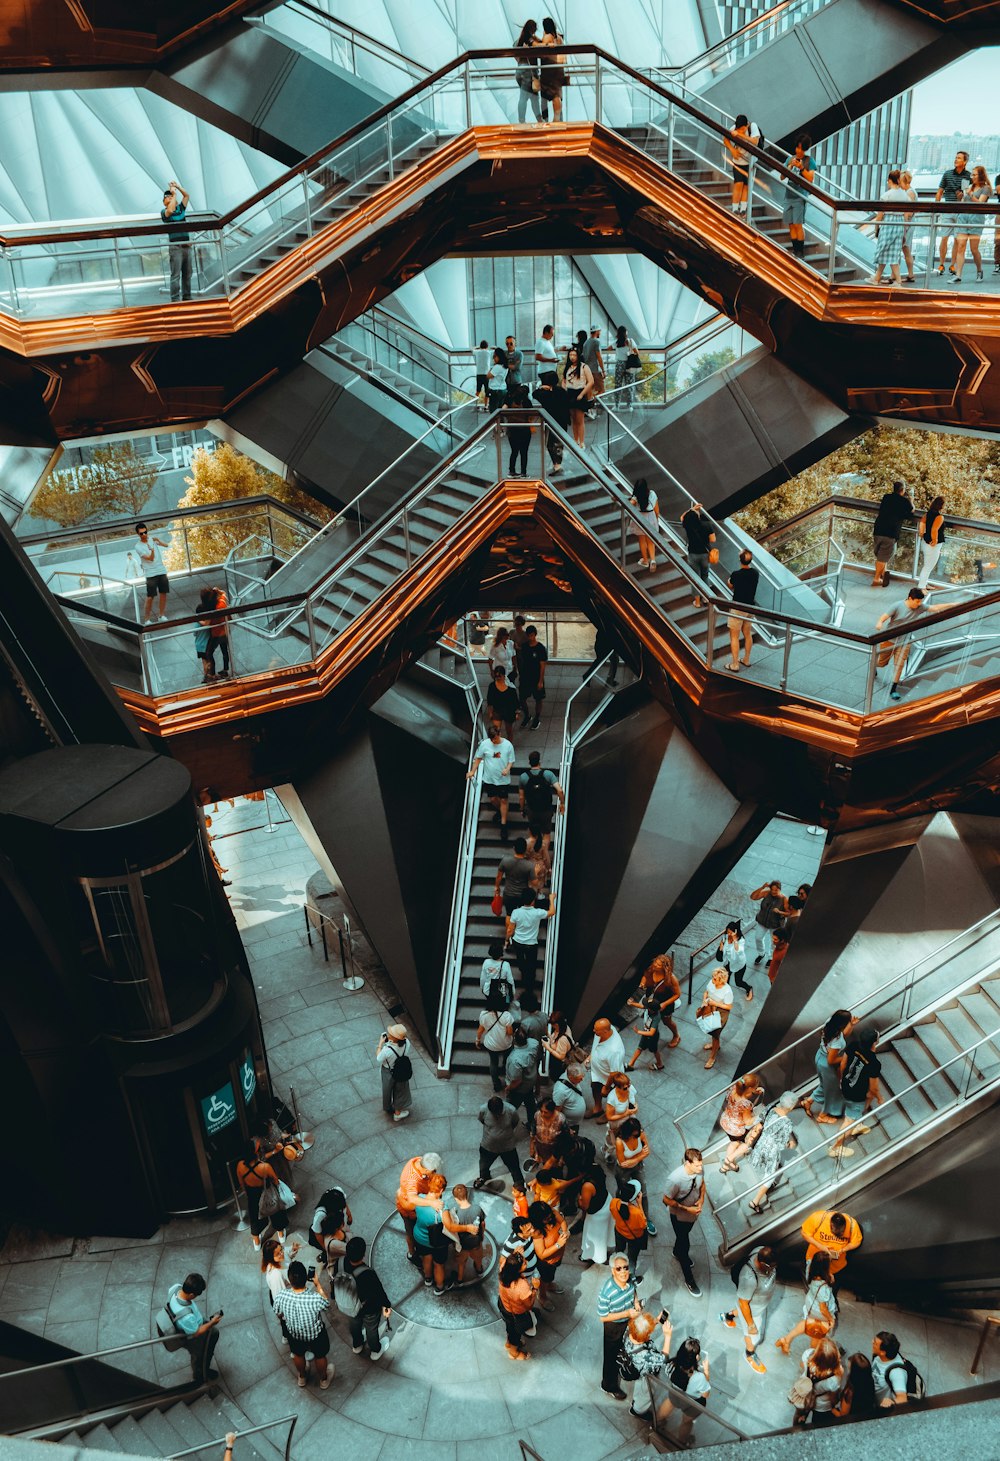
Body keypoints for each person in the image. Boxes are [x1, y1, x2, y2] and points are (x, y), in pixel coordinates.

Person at [271, 1261, 332, 1389]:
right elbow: (327, 1304)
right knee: (320, 1356)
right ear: (306, 1278)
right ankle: (323, 1380)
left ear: (289, 1279)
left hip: (294, 1334)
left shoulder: (281, 1296)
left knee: (297, 1354)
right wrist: (317, 1283)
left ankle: (302, 1377)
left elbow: (278, 1313)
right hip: (315, 1335)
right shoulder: (315, 1298)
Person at [830, 1020, 883, 1158]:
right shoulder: (874, 1063)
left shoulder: (853, 1045)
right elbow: (873, 1087)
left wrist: (842, 1079)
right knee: (849, 1120)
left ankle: (857, 1124)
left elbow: (843, 1064)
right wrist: (879, 1097)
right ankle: (836, 1147)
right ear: (874, 1043)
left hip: (846, 1085)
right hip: (857, 1094)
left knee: (858, 1108)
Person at [721, 1244, 776, 1374]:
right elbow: (743, 1303)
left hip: (759, 1304)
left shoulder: (760, 1249)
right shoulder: (749, 1278)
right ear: (762, 1263)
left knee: (739, 1311)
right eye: (771, 1267)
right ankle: (749, 1354)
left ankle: (727, 1317)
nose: (774, 1269)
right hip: (752, 1311)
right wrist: (751, 1325)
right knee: (753, 1337)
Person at [775, 1251, 838, 1355]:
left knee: (808, 1322)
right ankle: (811, 1356)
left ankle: (786, 1339)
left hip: (811, 1302)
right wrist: (831, 1319)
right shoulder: (823, 1287)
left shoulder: (810, 1268)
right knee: (817, 1332)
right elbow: (823, 1308)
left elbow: (811, 1261)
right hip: (819, 1310)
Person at [597, 1254, 641, 1399]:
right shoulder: (607, 1292)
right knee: (610, 1356)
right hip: (613, 1326)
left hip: (627, 1320)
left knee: (623, 1348)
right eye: (619, 1268)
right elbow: (603, 1317)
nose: (623, 1271)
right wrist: (626, 1313)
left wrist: (636, 1303)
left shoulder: (631, 1278)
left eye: (625, 1267)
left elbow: (634, 1290)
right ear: (612, 1271)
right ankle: (608, 1385)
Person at [161, 1273, 221, 1381]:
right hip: (192, 1334)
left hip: (190, 1323)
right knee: (200, 1355)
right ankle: (200, 1374)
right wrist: (212, 1323)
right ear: (192, 1295)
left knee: (213, 1334)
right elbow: (196, 1332)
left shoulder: (175, 1288)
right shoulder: (187, 1317)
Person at [662, 1147, 705, 1296]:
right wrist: (686, 1209)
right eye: (697, 1165)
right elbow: (665, 1199)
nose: (701, 1168)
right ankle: (689, 1279)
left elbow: (702, 1185)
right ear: (687, 1163)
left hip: (692, 1215)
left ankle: (677, 1252)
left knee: (683, 1237)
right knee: (684, 1243)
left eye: (701, 1165)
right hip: (679, 1216)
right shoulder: (675, 1179)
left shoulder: (699, 1171)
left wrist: (701, 1200)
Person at [747, 1090, 799, 1214]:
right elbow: (781, 1145)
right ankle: (755, 1201)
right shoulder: (787, 1123)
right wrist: (790, 1145)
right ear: (791, 1107)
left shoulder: (770, 1107)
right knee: (769, 1176)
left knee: (764, 1162)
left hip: (761, 1142)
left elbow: (760, 1119)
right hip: (772, 1150)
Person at [802, 1009, 855, 1124]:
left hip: (820, 1057)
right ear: (842, 1024)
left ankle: (809, 1101)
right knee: (833, 1091)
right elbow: (832, 1060)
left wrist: (851, 1025)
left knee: (825, 1085)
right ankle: (823, 1115)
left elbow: (843, 1034)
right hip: (827, 1065)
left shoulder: (830, 1023)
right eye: (848, 1021)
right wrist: (847, 1057)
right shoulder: (836, 1041)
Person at [236, 1134, 288, 1252]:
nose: (261, 1150)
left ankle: (256, 1242)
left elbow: (241, 1183)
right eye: (259, 1149)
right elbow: (275, 1180)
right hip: (267, 1192)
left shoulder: (239, 1166)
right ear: (255, 1152)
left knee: (254, 1218)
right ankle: (281, 1235)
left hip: (252, 1194)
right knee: (276, 1212)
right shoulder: (265, 1167)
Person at [343, 1235, 391, 1359]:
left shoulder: (345, 1263)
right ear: (363, 1254)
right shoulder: (368, 1273)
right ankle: (375, 1350)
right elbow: (379, 1291)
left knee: (355, 1324)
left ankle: (357, 1345)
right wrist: (386, 1305)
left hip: (351, 1304)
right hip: (368, 1307)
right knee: (371, 1328)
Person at [659, 1338, 711, 1445]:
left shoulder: (671, 1364)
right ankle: (681, 1442)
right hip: (692, 1403)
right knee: (686, 1422)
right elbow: (705, 1394)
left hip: (674, 1394)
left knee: (669, 1403)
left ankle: (658, 1423)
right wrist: (706, 1371)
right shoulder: (698, 1377)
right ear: (697, 1357)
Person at [469, 721, 515, 841]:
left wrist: (507, 768)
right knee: (493, 799)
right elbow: (478, 759)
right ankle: (501, 812)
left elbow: (511, 760)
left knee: (504, 800)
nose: (493, 741)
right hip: (489, 778)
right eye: (491, 739)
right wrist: (473, 771)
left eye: (494, 738)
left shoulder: (508, 745)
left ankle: (503, 826)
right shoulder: (485, 744)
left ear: (499, 734)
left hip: (503, 779)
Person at [506, 889, 555, 997]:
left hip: (518, 942)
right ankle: (529, 985)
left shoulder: (516, 912)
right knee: (532, 965)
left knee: (520, 960)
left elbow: (510, 930)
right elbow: (552, 912)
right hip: (531, 944)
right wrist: (551, 899)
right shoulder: (537, 913)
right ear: (533, 900)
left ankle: (523, 971)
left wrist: (506, 940)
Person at [396, 1152, 442, 1258]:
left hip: (419, 1206)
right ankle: (412, 1254)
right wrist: (431, 1202)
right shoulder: (412, 1179)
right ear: (426, 1170)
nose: (435, 1173)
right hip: (409, 1210)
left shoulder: (420, 1161)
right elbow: (412, 1198)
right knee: (411, 1233)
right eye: (433, 1171)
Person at [519, 750, 564, 859]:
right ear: (539, 761)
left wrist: (522, 809)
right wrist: (562, 803)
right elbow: (560, 791)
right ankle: (544, 855)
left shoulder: (523, 777)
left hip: (531, 810)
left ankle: (533, 854)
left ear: (529, 762)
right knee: (546, 834)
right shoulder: (548, 774)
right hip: (546, 810)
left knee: (533, 833)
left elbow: (521, 796)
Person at [718, 1071, 765, 1173]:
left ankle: (727, 1166)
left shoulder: (733, 1088)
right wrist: (760, 1115)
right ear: (749, 1088)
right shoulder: (745, 1104)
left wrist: (754, 1092)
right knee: (748, 1143)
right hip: (736, 1128)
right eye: (754, 1087)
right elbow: (748, 1122)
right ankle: (729, 1159)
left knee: (734, 1142)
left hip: (725, 1121)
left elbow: (741, 1094)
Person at [412, 1172, 451, 1294]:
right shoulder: (442, 1208)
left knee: (426, 1258)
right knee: (439, 1264)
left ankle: (428, 1279)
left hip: (419, 1236)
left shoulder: (419, 1199)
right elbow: (449, 1226)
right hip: (436, 1242)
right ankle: (439, 1287)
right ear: (441, 1190)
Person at [475, 1094, 525, 1189]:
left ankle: (519, 1184)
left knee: (514, 1167)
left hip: (507, 1146)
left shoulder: (511, 1111)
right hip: (488, 1145)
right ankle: (483, 1177)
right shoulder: (483, 1109)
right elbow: (482, 1120)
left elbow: (514, 1123)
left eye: (497, 1113)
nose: (496, 1115)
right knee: (484, 1165)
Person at [953, 164, 991, 283]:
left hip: (976, 220)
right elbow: (964, 201)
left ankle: (979, 270)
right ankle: (958, 275)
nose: (972, 176)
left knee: (974, 249)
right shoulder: (969, 186)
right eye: (972, 174)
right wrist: (960, 197)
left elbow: (980, 203)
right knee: (961, 246)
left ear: (980, 175)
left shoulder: (986, 188)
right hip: (964, 218)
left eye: (974, 174)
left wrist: (970, 194)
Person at [801, 1208, 863, 1281]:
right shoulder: (818, 1218)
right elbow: (804, 1233)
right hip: (815, 1262)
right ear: (831, 1224)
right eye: (835, 1232)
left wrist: (843, 1250)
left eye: (841, 1233)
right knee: (813, 1284)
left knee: (829, 1289)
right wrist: (820, 1246)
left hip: (836, 1267)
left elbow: (856, 1242)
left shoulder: (852, 1224)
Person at [871, 479, 913, 587]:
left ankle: (883, 575)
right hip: (890, 532)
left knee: (880, 554)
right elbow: (910, 513)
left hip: (879, 528)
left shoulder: (886, 497)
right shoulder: (905, 502)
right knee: (882, 557)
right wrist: (911, 500)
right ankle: (876, 579)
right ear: (903, 490)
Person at [935, 148, 970, 276]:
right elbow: (939, 191)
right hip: (947, 210)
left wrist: (963, 196)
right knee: (944, 238)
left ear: (965, 161)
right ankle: (941, 264)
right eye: (956, 157)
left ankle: (952, 265)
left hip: (961, 211)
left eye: (959, 158)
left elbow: (968, 195)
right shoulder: (947, 174)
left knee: (956, 240)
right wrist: (936, 207)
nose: (956, 159)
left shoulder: (968, 176)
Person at [498, 1250, 538, 1359]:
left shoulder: (503, 1268)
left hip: (503, 1305)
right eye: (524, 1263)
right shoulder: (522, 1286)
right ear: (517, 1270)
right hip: (517, 1314)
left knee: (509, 1327)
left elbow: (507, 1260)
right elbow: (529, 1305)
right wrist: (535, 1288)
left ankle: (508, 1342)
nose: (526, 1262)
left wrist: (515, 1255)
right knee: (515, 1333)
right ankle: (514, 1353)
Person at [793, 1338, 843, 1427]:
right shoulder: (834, 1379)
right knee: (817, 1422)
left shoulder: (808, 1354)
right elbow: (833, 1398)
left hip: (805, 1396)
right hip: (821, 1405)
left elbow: (802, 1366)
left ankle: (796, 1430)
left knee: (799, 1417)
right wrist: (834, 1405)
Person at [442, 1183, 486, 1283]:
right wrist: (482, 1235)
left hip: (462, 1246)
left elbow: (454, 1229)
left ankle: (460, 1279)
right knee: (478, 1258)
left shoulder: (456, 1212)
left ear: (455, 1199)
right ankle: (479, 1270)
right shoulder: (477, 1208)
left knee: (461, 1263)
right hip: (476, 1244)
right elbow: (482, 1223)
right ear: (467, 1194)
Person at [871, 170, 906, 287]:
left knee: (883, 250)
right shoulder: (904, 195)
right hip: (900, 223)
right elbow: (906, 214)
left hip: (888, 222)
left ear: (890, 180)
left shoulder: (887, 195)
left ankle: (897, 281)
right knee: (892, 252)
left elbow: (880, 215)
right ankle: (877, 278)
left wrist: (876, 228)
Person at [726, 548, 758, 672]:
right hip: (750, 607)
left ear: (740, 560)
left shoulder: (736, 574)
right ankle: (746, 659)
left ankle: (735, 664)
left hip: (738, 607)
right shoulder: (755, 573)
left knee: (734, 636)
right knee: (747, 633)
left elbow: (730, 585)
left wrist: (729, 581)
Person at [588, 1017, 627, 1120]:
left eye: (596, 1030)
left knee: (612, 1097)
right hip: (597, 1073)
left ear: (605, 1031)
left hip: (609, 1078)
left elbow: (614, 1073)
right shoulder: (602, 1032)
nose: (593, 1031)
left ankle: (610, 1113)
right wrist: (591, 1056)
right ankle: (598, 1108)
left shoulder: (615, 1050)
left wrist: (606, 1086)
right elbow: (596, 1045)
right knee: (595, 1088)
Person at [783, 134, 815, 258]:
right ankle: (795, 250)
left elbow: (810, 178)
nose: (799, 151)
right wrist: (789, 167)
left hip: (800, 196)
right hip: (788, 195)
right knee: (790, 223)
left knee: (798, 224)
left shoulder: (809, 161)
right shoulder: (790, 159)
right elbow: (782, 176)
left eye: (801, 149)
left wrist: (801, 168)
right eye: (797, 148)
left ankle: (800, 252)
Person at [609, 1179, 649, 1278]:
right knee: (631, 1258)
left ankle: (617, 1270)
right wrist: (640, 1204)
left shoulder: (614, 1202)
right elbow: (644, 1224)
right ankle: (631, 1277)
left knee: (619, 1251)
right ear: (634, 1198)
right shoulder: (636, 1212)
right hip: (633, 1238)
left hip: (619, 1231)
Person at [871, 1331, 922, 1407]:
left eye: (875, 1343)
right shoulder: (879, 1355)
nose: (872, 1341)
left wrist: (891, 1402)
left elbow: (902, 1399)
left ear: (883, 1352)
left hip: (880, 1405)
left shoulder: (897, 1373)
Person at [133, 522, 170, 625]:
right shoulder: (138, 547)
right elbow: (150, 558)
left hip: (161, 570)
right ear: (138, 534)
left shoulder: (152, 539)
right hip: (150, 574)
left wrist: (158, 540)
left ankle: (161, 615)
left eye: (145, 532)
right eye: (141, 533)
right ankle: (147, 620)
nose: (144, 535)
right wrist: (152, 549)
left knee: (163, 593)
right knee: (150, 597)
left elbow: (166, 545)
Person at [680, 501, 716, 606]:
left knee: (695, 578)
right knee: (705, 575)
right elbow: (713, 539)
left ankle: (697, 602)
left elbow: (682, 517)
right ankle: (706, 598)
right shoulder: (707, 525)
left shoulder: (688, 525)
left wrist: (691, 509)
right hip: (705, 554)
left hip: (693, 554)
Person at [161, 179, 192, 301]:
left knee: (188, 274)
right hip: (175, 247)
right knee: (176, 275)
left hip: (186, 245)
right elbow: (170, 210)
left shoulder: (181, 209)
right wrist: (173, 194)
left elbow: (187, 195)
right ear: (164, 202)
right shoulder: (164, 212)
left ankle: (187, 297)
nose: (170, 198)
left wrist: (177, 187)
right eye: (167, 198)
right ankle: (175, 299)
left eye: (171, 197)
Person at [723, 114, 760, 214]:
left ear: (746, 125)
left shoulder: (753, 127)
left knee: (746, 185)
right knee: (738, 184)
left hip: (750, 162)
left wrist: (740, 134)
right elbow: (725, 139)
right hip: (738, 161)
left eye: (742, 129)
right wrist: (732, 150)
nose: (740, 131)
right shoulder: (733, 128)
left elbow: (755, 141)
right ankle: (735, 208)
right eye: (739, 129)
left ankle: (743, 209)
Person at [476, 998, 515, 1092]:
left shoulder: (484, 1015)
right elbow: (509, 1032)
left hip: (491, 1045)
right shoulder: (506, 1015)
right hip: (506, 1044)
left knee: (493, 1063)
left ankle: (496, 1085)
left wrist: (477, 1040)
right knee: (508, 1060)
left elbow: (480, 1030)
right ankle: (507, 1076)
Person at [699, 965, 734, 1071]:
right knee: (711, 1030)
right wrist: (704, 1000)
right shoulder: (711, 983)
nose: (712, 980)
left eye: (715, 978)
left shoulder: (727, 991)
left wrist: (715, 1003)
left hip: (721, 1013)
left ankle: (712, 1057)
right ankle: (715, 1044)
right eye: (713, 977)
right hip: (710, 1008)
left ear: (722, 980)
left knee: (715, 1034)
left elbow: (729, 1006)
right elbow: (706, 992)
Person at [578, 1161, 613, 1265]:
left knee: (595, 1238)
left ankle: (593, 1256)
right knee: (604, 1233)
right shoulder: (596, 1168)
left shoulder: (587, 1186)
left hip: (597, 1215)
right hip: (607, 1202)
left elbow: (585, 1206)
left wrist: (579, 1200)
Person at [505, 1022, 540, 1124]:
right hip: (531, 1082)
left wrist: (508, 1088)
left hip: (519, 1089)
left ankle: (507, 1123)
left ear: (514, 1040)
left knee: (511, 1107)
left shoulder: (514, 1059)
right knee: (530, 1105)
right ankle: (532, 1124)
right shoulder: (534, 1043)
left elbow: (517, 1081)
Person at [376, 1023, 412, 1122]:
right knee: (400, 1090)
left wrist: (380, 1044)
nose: (388, 1034)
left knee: (387, 1089)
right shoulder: (407, 1043)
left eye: (391, 1033)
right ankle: (398, 1111)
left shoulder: (387, 1050)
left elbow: (379, 1058)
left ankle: (388, 1108)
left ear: (394, 1038)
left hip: (388, 1071)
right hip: (401, 1070)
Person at [625, 986, 664, 1072]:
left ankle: (660, 1064)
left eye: (647, 1006)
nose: (645, 1006)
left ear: (652, 1010)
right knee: (639, 1048)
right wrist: (632, 1003)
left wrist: (638, 1031)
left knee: (654, 1050)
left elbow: (651, 1032)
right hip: (645, 1033)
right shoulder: (649, 1009)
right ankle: (630, 1065)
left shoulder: (656, 1017)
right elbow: (641, 1006)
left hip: (652, 1037)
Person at [517, 622, 548, 731]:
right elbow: (522, 660)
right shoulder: (525, 646)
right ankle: (527, 715)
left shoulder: (540, 648)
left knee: (538, 699)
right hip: (525, 677)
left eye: (532, 635)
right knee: (522, 698)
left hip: (536, 677)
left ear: (535, 635)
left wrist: (540, 681)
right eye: (528, 635)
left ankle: (537, 718)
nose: (530, 637)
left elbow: (542, 665)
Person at [562, 344, 594, 446]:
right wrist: (565, 388)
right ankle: (575, 440)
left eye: (574, 355)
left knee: (580, 419)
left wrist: (582, 394)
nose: (572, 357)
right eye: (570, 355)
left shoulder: (584, 367)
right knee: (574, 419)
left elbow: (591, 382)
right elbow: (563, 380)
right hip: (570, 393)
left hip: (580, 391)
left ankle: (582, 441)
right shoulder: (568, 367)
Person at [603, 1071, 639, 1161]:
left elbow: (634, 1103)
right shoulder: (612, 1098)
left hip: (628, 1119)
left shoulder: (630, 1089)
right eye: (625, 1088)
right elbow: (609, 1117)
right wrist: (625, 1114)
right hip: (616, 1122)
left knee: (629, 1137)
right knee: (612, 1141)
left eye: (628, 1086)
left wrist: (635, 1108)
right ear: (617, 1087)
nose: (628, 1089)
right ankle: (607, 1151)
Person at [833, 1352, 877, 1420]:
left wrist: (831, 1409)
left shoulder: (849, 1392)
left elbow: (843, 1415)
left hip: (853, 1419)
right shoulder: (870, 1381)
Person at [538, 17, 566, 121]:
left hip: (548, 69)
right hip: (558, 69)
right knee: (557, 94)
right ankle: (557, 118)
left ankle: (547, 120)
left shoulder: (547, 37)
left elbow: (543, 54)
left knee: (546, 96)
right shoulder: (559, 38)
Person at [628, 477, 660, 571]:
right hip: (651, 517)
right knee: (650, 540)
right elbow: (656, 509)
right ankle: (653, 560)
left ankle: (645, 561)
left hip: (640, 519)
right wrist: (656, 519)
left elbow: (629, 505)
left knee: (642, 539)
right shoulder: (652, 494)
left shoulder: (636, 497)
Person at [749, 879, 784, 963]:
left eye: (776, 890)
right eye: (772, 889)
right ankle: (761, 953)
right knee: (758, 938)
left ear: (780, 889)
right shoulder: (766, 893)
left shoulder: (784, 899)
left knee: (773, 942)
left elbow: (789, 912)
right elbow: (753, 897)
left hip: (775, 924)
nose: (774, 892)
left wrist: (780, 912)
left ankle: (771, 958)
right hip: (762, 921)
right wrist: (762, 887)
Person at [916, 495, 947, 589]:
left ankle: (924, 584)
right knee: (928, 567)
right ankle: (921, 587)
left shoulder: (928, 514)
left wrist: (921, 534)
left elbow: (921, 523)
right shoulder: (939, 517)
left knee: (927, 565)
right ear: (942, 505)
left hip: (925, 542)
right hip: (932, 545)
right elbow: (934, 529)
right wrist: (934, 540)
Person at [513, 20, 541, 124]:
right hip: (529, 71)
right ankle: (522, 122)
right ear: (533, 29)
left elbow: (515, 56)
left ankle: (539, 120)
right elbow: (539, 50)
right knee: (525, 97)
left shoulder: (518, 41)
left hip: (519, 70)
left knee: (533, 97)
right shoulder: (530, 40)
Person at [716, 919, 752, 1001]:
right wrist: (721, 948)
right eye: (727, 932)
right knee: (725, 980)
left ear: (735, 932)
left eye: (730, 932)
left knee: (738, 982)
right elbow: (721, 953)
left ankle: (749, 988)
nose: (728, 934)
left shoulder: (741, 941)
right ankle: (726, 994)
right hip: (728, 962)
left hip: (738, 964)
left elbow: (739, 952)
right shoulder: (725, 937)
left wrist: (735, 940)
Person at [504, 384, 533, 476]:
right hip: (524, 429)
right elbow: (531, 415)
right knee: (524, 452)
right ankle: (523, 472)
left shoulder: (510, 400)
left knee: (514, 451)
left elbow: (503, 409)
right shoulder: (527, 402)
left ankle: (511, 471)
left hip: (512, 429)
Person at [543, 1013, 575, 1085]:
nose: (552, 1027)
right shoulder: (564, 1027)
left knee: (555, 1076)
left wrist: (547, 1047)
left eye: (553, 1025)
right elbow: (554, 1039)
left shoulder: (563, 1039)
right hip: (556, 1057)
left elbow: (561, 1057)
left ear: (557, 1025)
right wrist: (548, 1034)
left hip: (559, 1063)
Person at [612, 324, 638, 407]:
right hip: (629, 364)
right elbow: (637, 352)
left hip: (619, 364)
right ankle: (629, 405)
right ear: (625, 333)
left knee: (618, 385)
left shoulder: (616, 342)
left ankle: (617, 405)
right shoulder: (630, 341)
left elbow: (609, 348)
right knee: (630, 385)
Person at [900, 169, 918, 282]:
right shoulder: (911, 191)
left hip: (908, 224)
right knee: (905, 248)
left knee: (905, 248)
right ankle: (910, 274)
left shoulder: (909, 193)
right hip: (909, 223)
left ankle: (911, 274)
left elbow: (909, 211)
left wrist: (905, 228)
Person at [487, 347, 508, 412]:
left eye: (495, 356)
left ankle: (495, 422)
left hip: (495, 391)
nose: (493, 358)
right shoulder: (505, 366)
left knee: (493, 411)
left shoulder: (497, 367)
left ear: (499, 357)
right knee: (501, 410)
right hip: (503, 389)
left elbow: (488, 376)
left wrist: (490, 369)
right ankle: (501, 422)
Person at [474, 338, 491, 407]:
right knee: (487, 391)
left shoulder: (477, 352)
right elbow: (496, 349)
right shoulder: (489, 352)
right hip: (486, 374)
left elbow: (472, 349)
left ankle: (476, 404)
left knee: (478, 390)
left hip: (479, 374)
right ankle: (486, 405)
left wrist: (477, 347)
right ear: (487, 346)